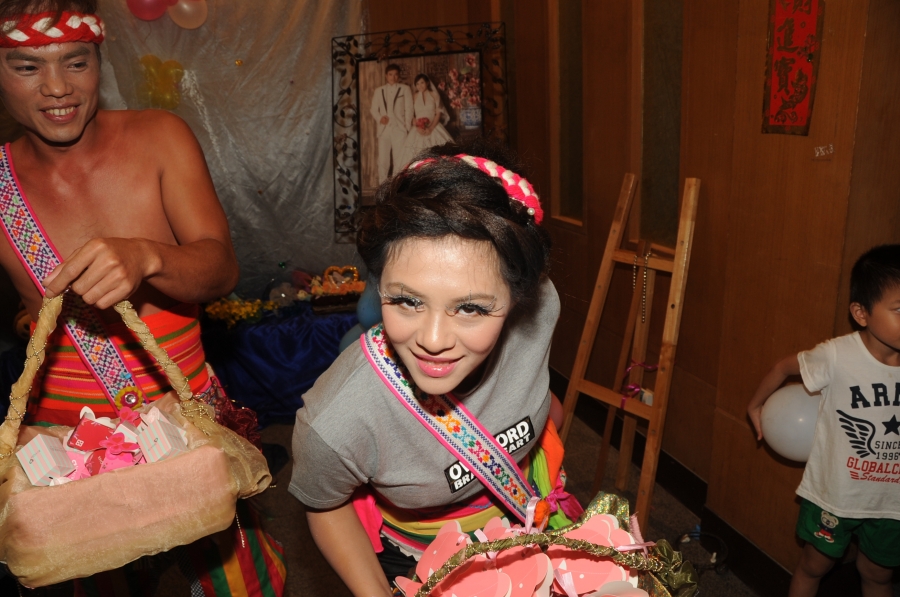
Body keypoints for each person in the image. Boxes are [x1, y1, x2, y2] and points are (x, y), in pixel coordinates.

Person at [0, 2, 283, 595]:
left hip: (191, 424)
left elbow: (222, 269)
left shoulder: (160, 137)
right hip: (70, 452)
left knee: (241, 583)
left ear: (99, 61)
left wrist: (148, 257)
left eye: (76, 62)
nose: (57, 87)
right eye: (27, 67)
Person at [289, 139, 579, 596]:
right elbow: (326, 505)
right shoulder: (335, 424)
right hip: (422, 562)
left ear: (520, 296)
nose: (434, 340)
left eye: (471, 308)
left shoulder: (542, 309)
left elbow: (530, 383)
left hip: (532, 514)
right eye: (407, 301)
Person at [747, 244, 900, 597]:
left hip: (891, 502)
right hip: (834, 495)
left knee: (878, 575)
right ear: (861, 313)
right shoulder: (837, 355)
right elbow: (783, 367)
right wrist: (755, 406)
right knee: (813, 567)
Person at [369, 63, 412, 183]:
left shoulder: (405, 89)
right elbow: (373, 109)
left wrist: (406, 127)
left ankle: (397, 185)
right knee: (383, 160)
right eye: (390, 74)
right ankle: (382, 185)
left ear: (399, 76)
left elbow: (409, 109)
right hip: (384, 130)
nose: (393, 77)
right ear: (386, 76)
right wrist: (380, 118)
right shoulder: (379, 91)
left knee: (399, 158)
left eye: (396, 75)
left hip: (399, 128)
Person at [397, 73, 452, 167]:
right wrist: (417, 126)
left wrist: (430, 128)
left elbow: (438, 113)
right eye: (417, 84)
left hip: (433, 126)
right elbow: (411, 115)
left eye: (422, 83)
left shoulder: (434, 95)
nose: (420, 86)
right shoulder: (414, 96)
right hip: (418, 129)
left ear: (427, 83)